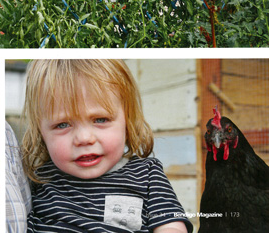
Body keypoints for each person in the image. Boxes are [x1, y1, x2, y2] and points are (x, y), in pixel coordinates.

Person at [22, 59, 191, 233]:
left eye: (100, 120)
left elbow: (172, 226)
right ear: (41, 132)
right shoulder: (39, 180)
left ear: (127, 120)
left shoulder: (147, 175)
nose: (84, 138)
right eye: (62, 125)